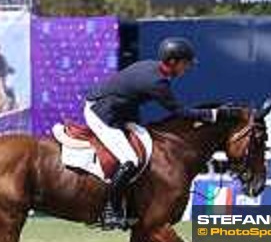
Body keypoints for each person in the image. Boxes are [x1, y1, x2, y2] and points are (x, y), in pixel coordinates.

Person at [84, 37, 219, 230]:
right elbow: (179, 111)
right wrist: (213, 114)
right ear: (172, 62)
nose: (187, 68)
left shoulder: (152, 67)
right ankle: (111, 210)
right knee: (130, 160)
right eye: (185, 63)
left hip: (119, 111)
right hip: (101, 113)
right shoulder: (156, 82)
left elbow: (129, 98)